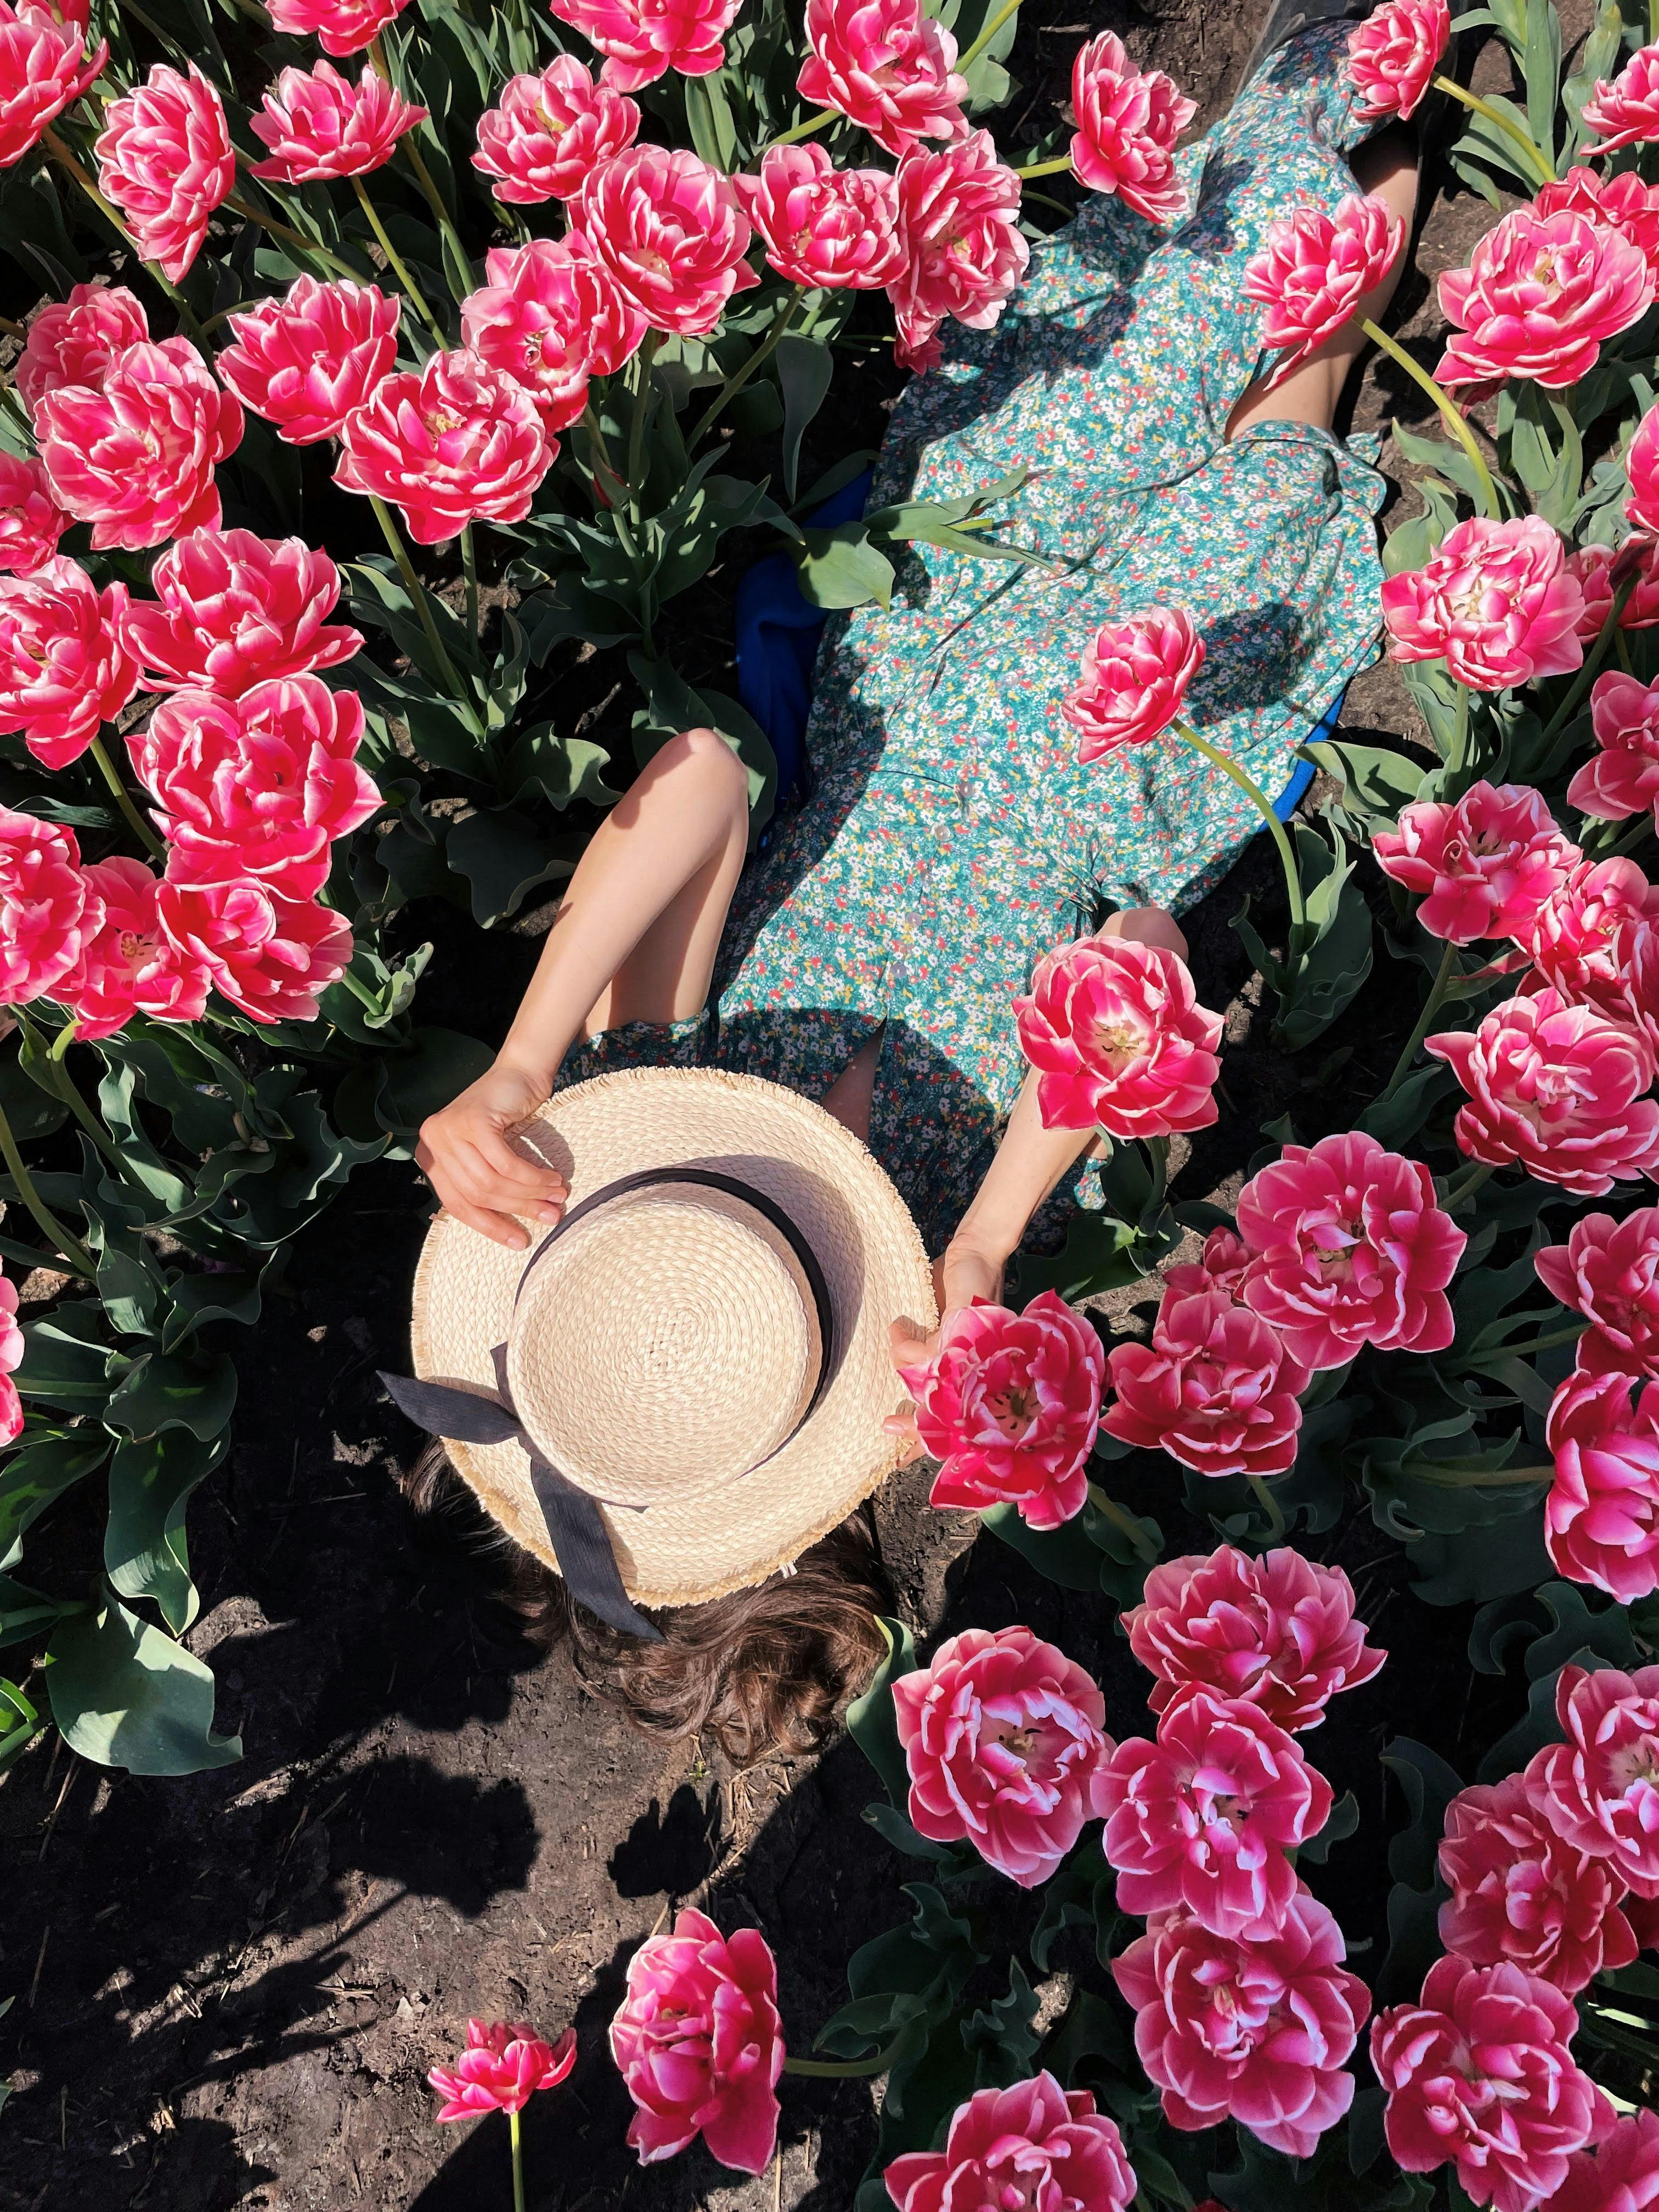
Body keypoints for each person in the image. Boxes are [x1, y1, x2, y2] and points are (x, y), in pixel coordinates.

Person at [403, 9, 1421, 1754]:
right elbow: (1142, 953)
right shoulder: (939, 1241)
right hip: (1122, 762)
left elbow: (708, 779)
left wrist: (516, 1063)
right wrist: (985, 1242)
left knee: (1193, 298)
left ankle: (1369, 50)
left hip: (938, 641)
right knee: (1290, 395)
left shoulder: (667, 1098)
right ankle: (1423, 100)